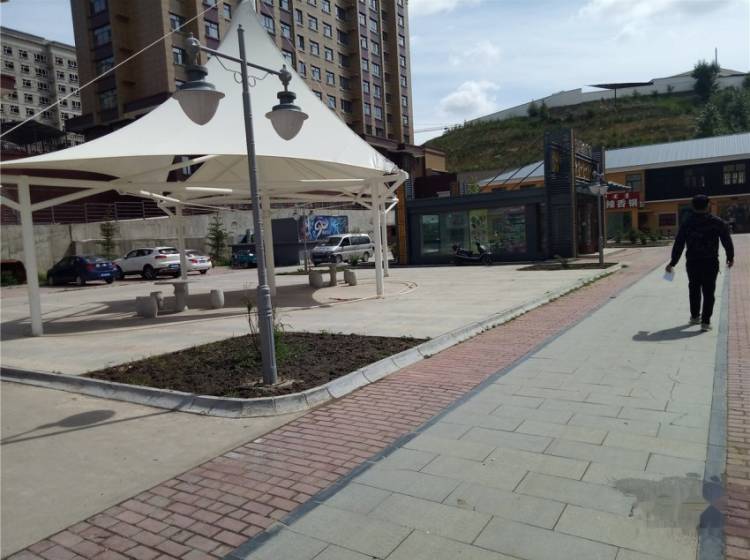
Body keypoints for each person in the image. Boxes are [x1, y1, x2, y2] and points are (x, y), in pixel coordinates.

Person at [666, 194, 734, 331]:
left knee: (694, 289)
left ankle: (695, 316)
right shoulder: (717, 222)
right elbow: (726, 240)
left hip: (693, 262)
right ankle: (706, 322)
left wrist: (673, 263)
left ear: (692, 206)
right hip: (710, 262)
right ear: (708, 205)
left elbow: (679, 244)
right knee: (709, 291)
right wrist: (730, 257)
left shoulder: (687, 223)